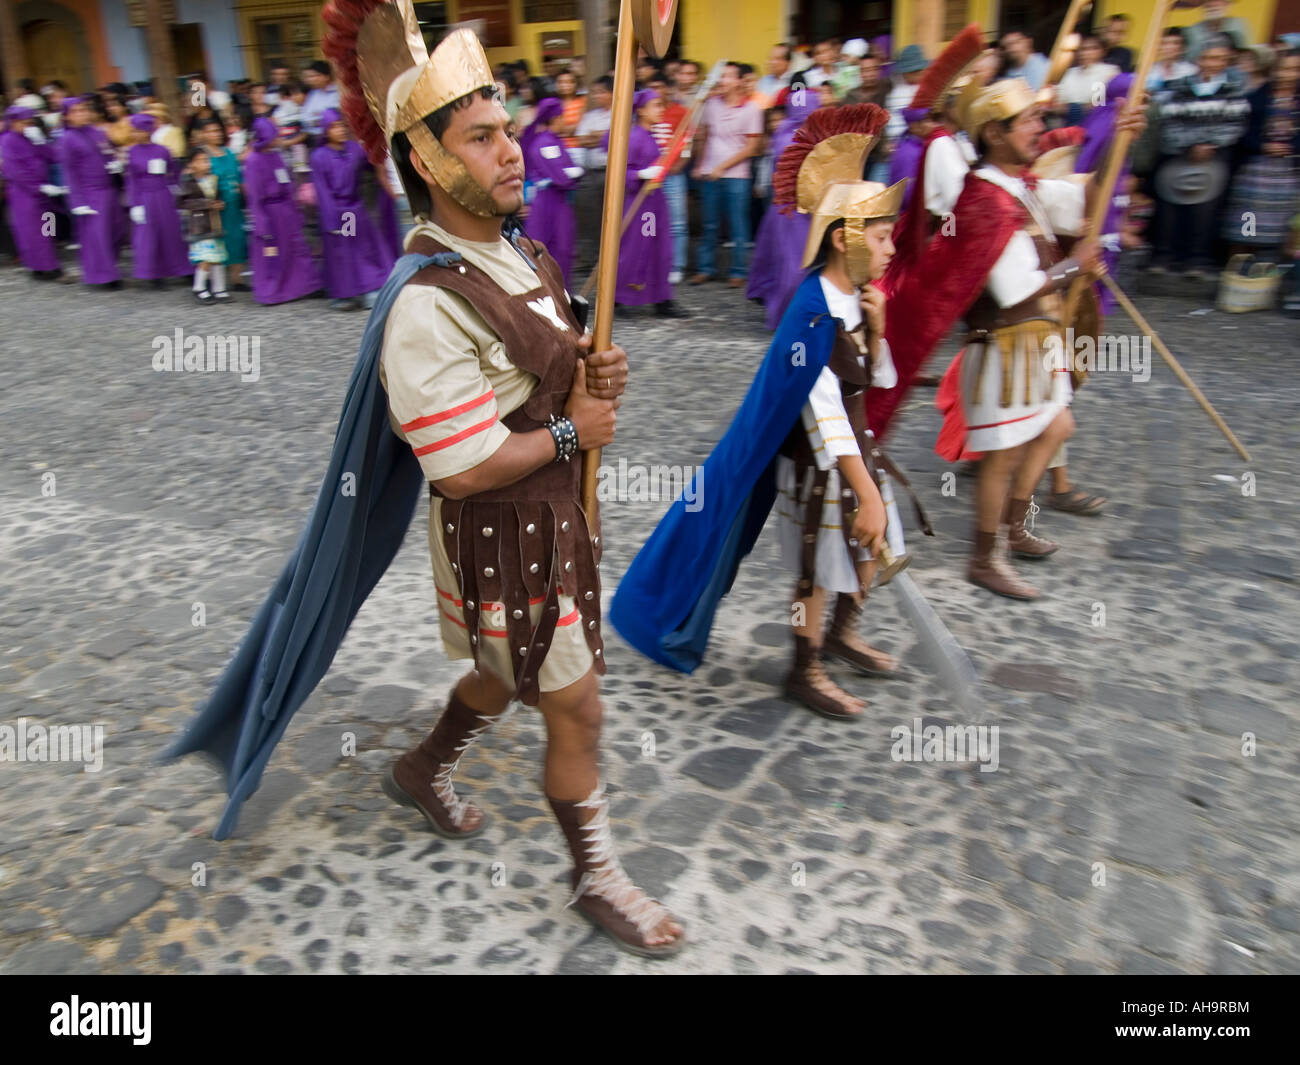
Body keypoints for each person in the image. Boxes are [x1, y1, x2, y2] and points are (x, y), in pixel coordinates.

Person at [325, 16, 683, 956]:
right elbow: (463, 462)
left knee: (497, 671)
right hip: (502, 530)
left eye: (508, 128)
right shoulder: (424, 301)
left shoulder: (522, 253)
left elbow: (551, 367)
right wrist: (573, 426)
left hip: (555, 515)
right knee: (577, 702)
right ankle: (596, 873)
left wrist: (588, 376)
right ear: (426, 159)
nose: (510, 151)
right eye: (480, 137)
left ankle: (420, 765)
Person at [611, 106, 902, 720]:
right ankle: (804, 665)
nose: (891, 246)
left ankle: (843, 635)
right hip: (819, 465)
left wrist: (877, 329)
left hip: (855, 452)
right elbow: (821, 412)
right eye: (880, 236)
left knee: (869, 550)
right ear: (846, 238)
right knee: (820, 568)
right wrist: (862, 490)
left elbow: (878, 381)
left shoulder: (856, 301)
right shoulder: (812, 313)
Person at [886, 80, 1137, 600]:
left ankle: (1014, 528)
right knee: (1001, 454)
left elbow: (1087, 196)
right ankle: (984, 557)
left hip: (1037, 344)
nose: (1039, 131)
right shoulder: (982, 200)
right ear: (996, 133)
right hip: (1005, 348)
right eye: (1028, 123)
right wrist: (1073, 266)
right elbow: (1014, 287)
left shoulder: (1022, 187)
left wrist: (1119, 137)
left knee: (1057, 425)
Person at [1146, 36, 1250, 276]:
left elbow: (1236, 121)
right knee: (1168, 210)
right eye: (1211, 57)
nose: (1216, 63)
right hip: (1178, 156)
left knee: (1206, 211)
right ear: (1200, 59)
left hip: (1214, 158)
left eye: (1222, 58)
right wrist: (1189, 144)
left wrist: (1210, 144)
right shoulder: (1180, 87)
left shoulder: (1232, 90)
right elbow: (1169, 118)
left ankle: (1197, 260)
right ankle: (1163, 256)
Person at [604, 89, 688, 317]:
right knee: (638, 248)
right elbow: (621, 171)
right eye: (655, 106)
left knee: (660, 249)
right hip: (641, 206)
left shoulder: (650, 135)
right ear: (641, 110)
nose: (660, 110)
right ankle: (619, 297)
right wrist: (641, 174)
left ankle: (661, 298)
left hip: (655, 201)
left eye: (662, 105)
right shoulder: (634, 137)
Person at [311, 108, 395, 310]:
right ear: (325, 130)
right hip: (339, 210)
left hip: (355, 208)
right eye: (333, 126)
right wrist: (332, 220)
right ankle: (346, 293)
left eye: (341, 125)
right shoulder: (319, 156)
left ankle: (369, 288)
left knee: (363, 249)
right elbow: (322, 191)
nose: (339, 130)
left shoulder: (353, 149)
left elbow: (372, 165)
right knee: (344, 253)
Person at [1221, 48, 1300, 262]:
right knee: (1248, 223)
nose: (1290, 74)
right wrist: (1263, 146)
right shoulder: (1256, 98)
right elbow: (1241, 133)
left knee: (1277, 228)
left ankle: (1263, 277)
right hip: (1255, 172)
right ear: (1274, 70)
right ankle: (1237, 271)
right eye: (1285, 69)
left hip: (1287, 175)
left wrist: (1292, 146)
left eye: (1295, 70)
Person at [690, 62, 763, 287]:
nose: (723, 81)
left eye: (728, 77)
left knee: (737, 223)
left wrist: (723, 167)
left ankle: (738, 271)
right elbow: (705, 136)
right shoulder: (711, 104)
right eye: (721, 76)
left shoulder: (752, 109)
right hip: (711, 172)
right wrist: (700, 164)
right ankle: (705, 268)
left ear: (740, 81)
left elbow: (751, 148)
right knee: (709, 223)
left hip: (737, 175)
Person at [243, 116, 322, 304]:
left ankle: (305, 285)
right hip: (269, 213)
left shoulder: (276, 156)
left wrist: (295, 208)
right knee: (273, 254)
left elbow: (287, 182)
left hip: (285, 211)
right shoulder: (253, 161)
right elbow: (254, 196)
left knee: (296, 249)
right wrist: (261, 223)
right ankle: (273, 291)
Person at [59, 96, 124, 288]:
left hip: (108, 188)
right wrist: (77, 202)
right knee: (97, 235)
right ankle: (103, 275)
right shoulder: (67, 139)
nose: (82, 114)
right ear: (68, 116)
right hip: (89, 192)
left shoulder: (97, 132)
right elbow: (69, 172)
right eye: (76, 111)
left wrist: (114, 164)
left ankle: (110, 266)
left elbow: (108, 153)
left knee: (116, 230)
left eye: (83, 109)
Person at [519, 97, 582, 284]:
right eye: (562, 117)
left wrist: (570, 174)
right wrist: (572, 175)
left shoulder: (554, 141)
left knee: (561, 248)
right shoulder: (545, 143)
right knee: (551, 247)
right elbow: (561, 176)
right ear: (554, 119)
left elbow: (566, 170)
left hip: (557, 201)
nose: (565, 121)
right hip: (548, 203)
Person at [125, 113, 191, 286]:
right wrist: (135, 204)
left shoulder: (162, 150)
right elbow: (131, 179)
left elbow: (174, 169)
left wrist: (174, 186)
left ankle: (180, 269)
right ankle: (153, 272)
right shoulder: (131, 152)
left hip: (163, 194)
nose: (136, 134)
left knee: (170, 232)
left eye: (139, 131)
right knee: (148, 235)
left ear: (147, 131)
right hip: (143, 195)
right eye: (134, 131)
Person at [0, 105, 62, 279]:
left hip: (44, 193)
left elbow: (53, 157)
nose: (27, 126)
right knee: (32, 232)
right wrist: (37, 186)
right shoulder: (8, 141)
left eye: (29, 122)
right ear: (13, 122)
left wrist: (42, 142)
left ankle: (52, 263)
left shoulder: (30, 138)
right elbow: (14, 170)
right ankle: (41, 267)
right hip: (25, 194)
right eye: (23, 122)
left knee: (48, 229)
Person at [180, 147, 230, 302]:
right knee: (206, 258)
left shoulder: (213, 179)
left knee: (218, 258)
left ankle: (219, 288)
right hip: (199, 225)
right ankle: (200, 286)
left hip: (214, 224)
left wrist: (220, 203)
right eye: (200, 161)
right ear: (192, 164)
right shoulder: (189, 182)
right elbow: (185, 202)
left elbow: (218, 196)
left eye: (206, 160)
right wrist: (206, 204)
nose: (205, 164)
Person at [573, 75, 612, 273]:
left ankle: (611, 259)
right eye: (595, 92)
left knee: (611, 217)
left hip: (611, 173)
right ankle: (590, 259)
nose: (596, 96)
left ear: (611, 93)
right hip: (590, 172)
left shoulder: (620, 114)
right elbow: (581, 139)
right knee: (588, 216)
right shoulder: (590, 116)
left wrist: (598, 137)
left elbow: (616, 139)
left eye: (600, 92)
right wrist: (603, 136)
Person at [1055, 36, 1120, 124]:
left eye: (1093, 48)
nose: (1086, 53)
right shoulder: (1070, 73)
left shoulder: (1108, 72)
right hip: (1066, 121)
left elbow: (1097, 105)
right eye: (1083, 49)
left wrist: (1070, 108)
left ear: (1102, 51)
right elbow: (1058, 102)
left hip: (1093, 123)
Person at [1183, 0, 1251, 60]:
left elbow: (1243, 55)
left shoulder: (1238, 25)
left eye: (1217, 0)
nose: (1212, 5)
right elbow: (1190, 59)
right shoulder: (1193, 30)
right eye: (1207, 1)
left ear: (1226, 4)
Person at [1148, 27, 1198, 95]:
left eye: (1175, 43)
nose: (1169, 47)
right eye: (1164, 43)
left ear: (1182, 48)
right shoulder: (1149, 70)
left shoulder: (1191, 71)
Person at [301, 60, 341, 138]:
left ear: (326, 77)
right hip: (314, 137)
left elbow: (335, 118)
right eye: (309, 77)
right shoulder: (313, 94)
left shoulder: (337, 93)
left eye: (314, 76)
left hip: (333, 137)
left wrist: (318, 118)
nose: (310, 80)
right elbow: (305, 118)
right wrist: (321, 118)